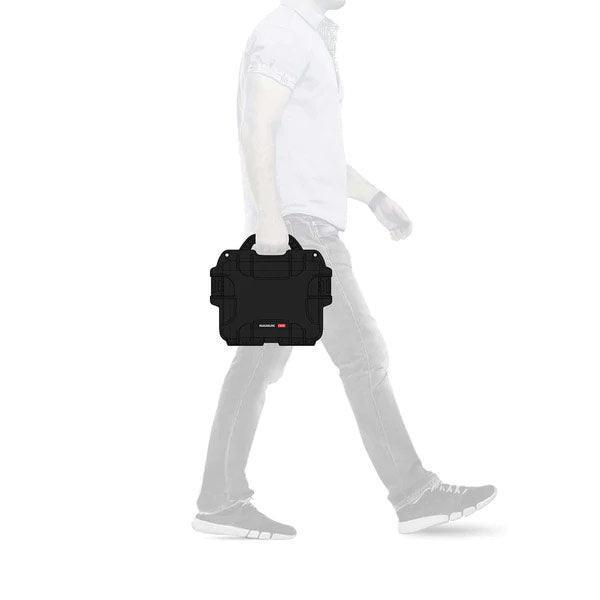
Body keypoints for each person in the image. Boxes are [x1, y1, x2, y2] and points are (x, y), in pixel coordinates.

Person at [193, 0, 496, 539]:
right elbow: (257, 126)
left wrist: (374, 197)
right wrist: (271, 226)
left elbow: (315, 156)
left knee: (258, 364)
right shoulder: (284, 32)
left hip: (296, 226)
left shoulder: (304, 36)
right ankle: (414, 494)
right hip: (299, 233)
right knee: (363, 354)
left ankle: (218, 499)